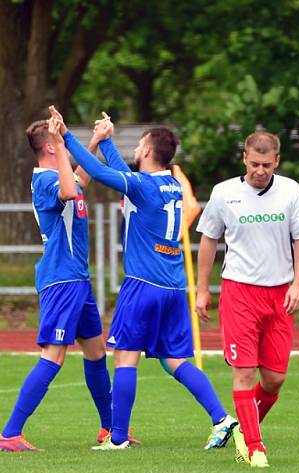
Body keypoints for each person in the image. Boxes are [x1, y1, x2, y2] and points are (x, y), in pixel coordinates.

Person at [51, 106, 238, 452]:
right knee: (176, 361)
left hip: (143, 284)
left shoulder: (142, 186)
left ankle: (118, 438)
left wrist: (65, 137)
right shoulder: (171, 186)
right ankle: (221, 418)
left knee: (124, 357)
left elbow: (96, 171)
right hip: (173, 286)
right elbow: (125, 177)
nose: (134, 149)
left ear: (149, 151)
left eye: (138, 145)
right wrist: (106, 140)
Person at [0, 114, 127, 452]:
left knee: (96, 353)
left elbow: (79, 182)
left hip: (77, 280)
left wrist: (93, 143)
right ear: (52, 147)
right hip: (61, 280)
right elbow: (69, 189)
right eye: (62, 141)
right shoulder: (44, 180)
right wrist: (67, 146)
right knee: (54, 356)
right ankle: (10, 433)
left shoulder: (58, 174)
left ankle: (109, 430)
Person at [195, 131, 299, 468]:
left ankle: (241, 427)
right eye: (254, 164)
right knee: (244, 373)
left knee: (274, 379)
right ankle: (254, 447)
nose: (259, 170)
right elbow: (208, 241)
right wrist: (203, 290)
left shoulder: (290, 190)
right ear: (244, 159)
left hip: (279, 295)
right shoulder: (224, 193)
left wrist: (298, 284)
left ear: (277, 161)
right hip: (239, 293)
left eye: (266, 164)